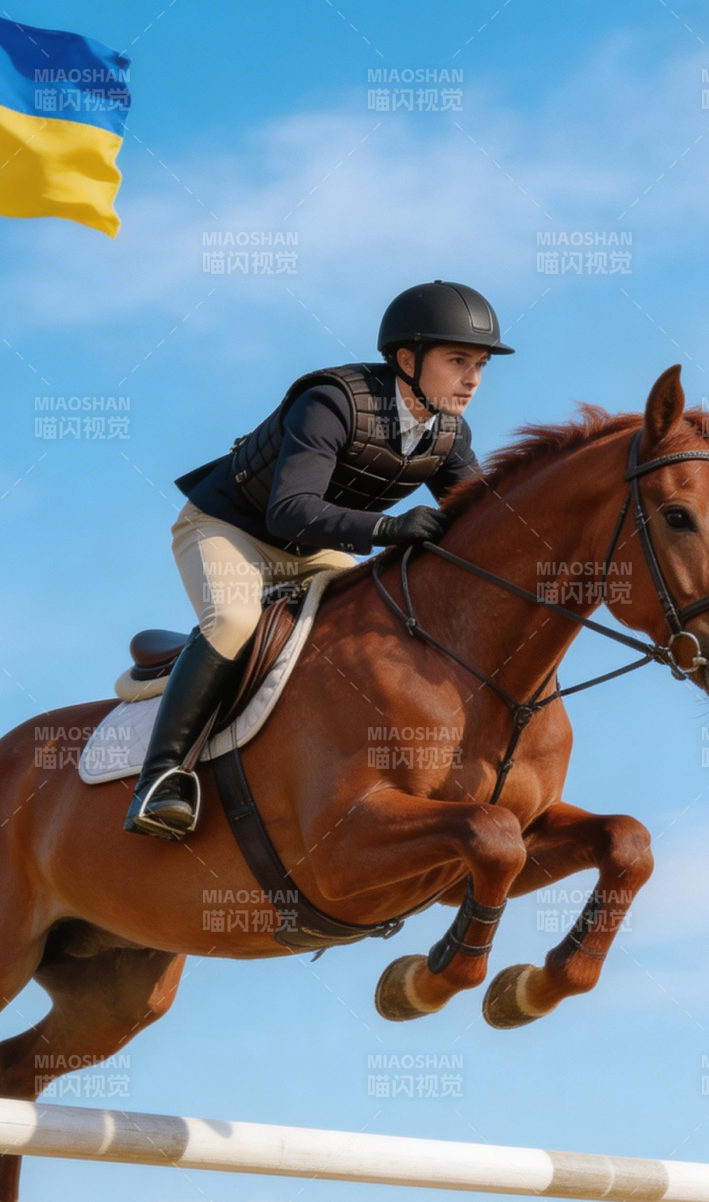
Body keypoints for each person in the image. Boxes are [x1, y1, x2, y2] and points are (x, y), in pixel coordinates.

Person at [125, 279, 514, 839]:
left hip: (313, 545)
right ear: (407, 359)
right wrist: (388, 528)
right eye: (458, 360)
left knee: (368, 637)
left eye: (480, 364)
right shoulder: (330, 402)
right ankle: (163, 778)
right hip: (230, 527)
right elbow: (289, 510)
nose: (473, 379)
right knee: (235, 620)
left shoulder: (448, 435)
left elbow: (482, 521)